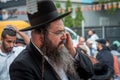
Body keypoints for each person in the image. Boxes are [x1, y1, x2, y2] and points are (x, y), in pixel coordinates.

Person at [9, 0, 94, 80]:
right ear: (41, 36)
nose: (64, 36)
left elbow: (88, 73)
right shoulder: (22, 66)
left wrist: (72, 51)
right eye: (58, 32)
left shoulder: (61, 51)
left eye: (64, 31)